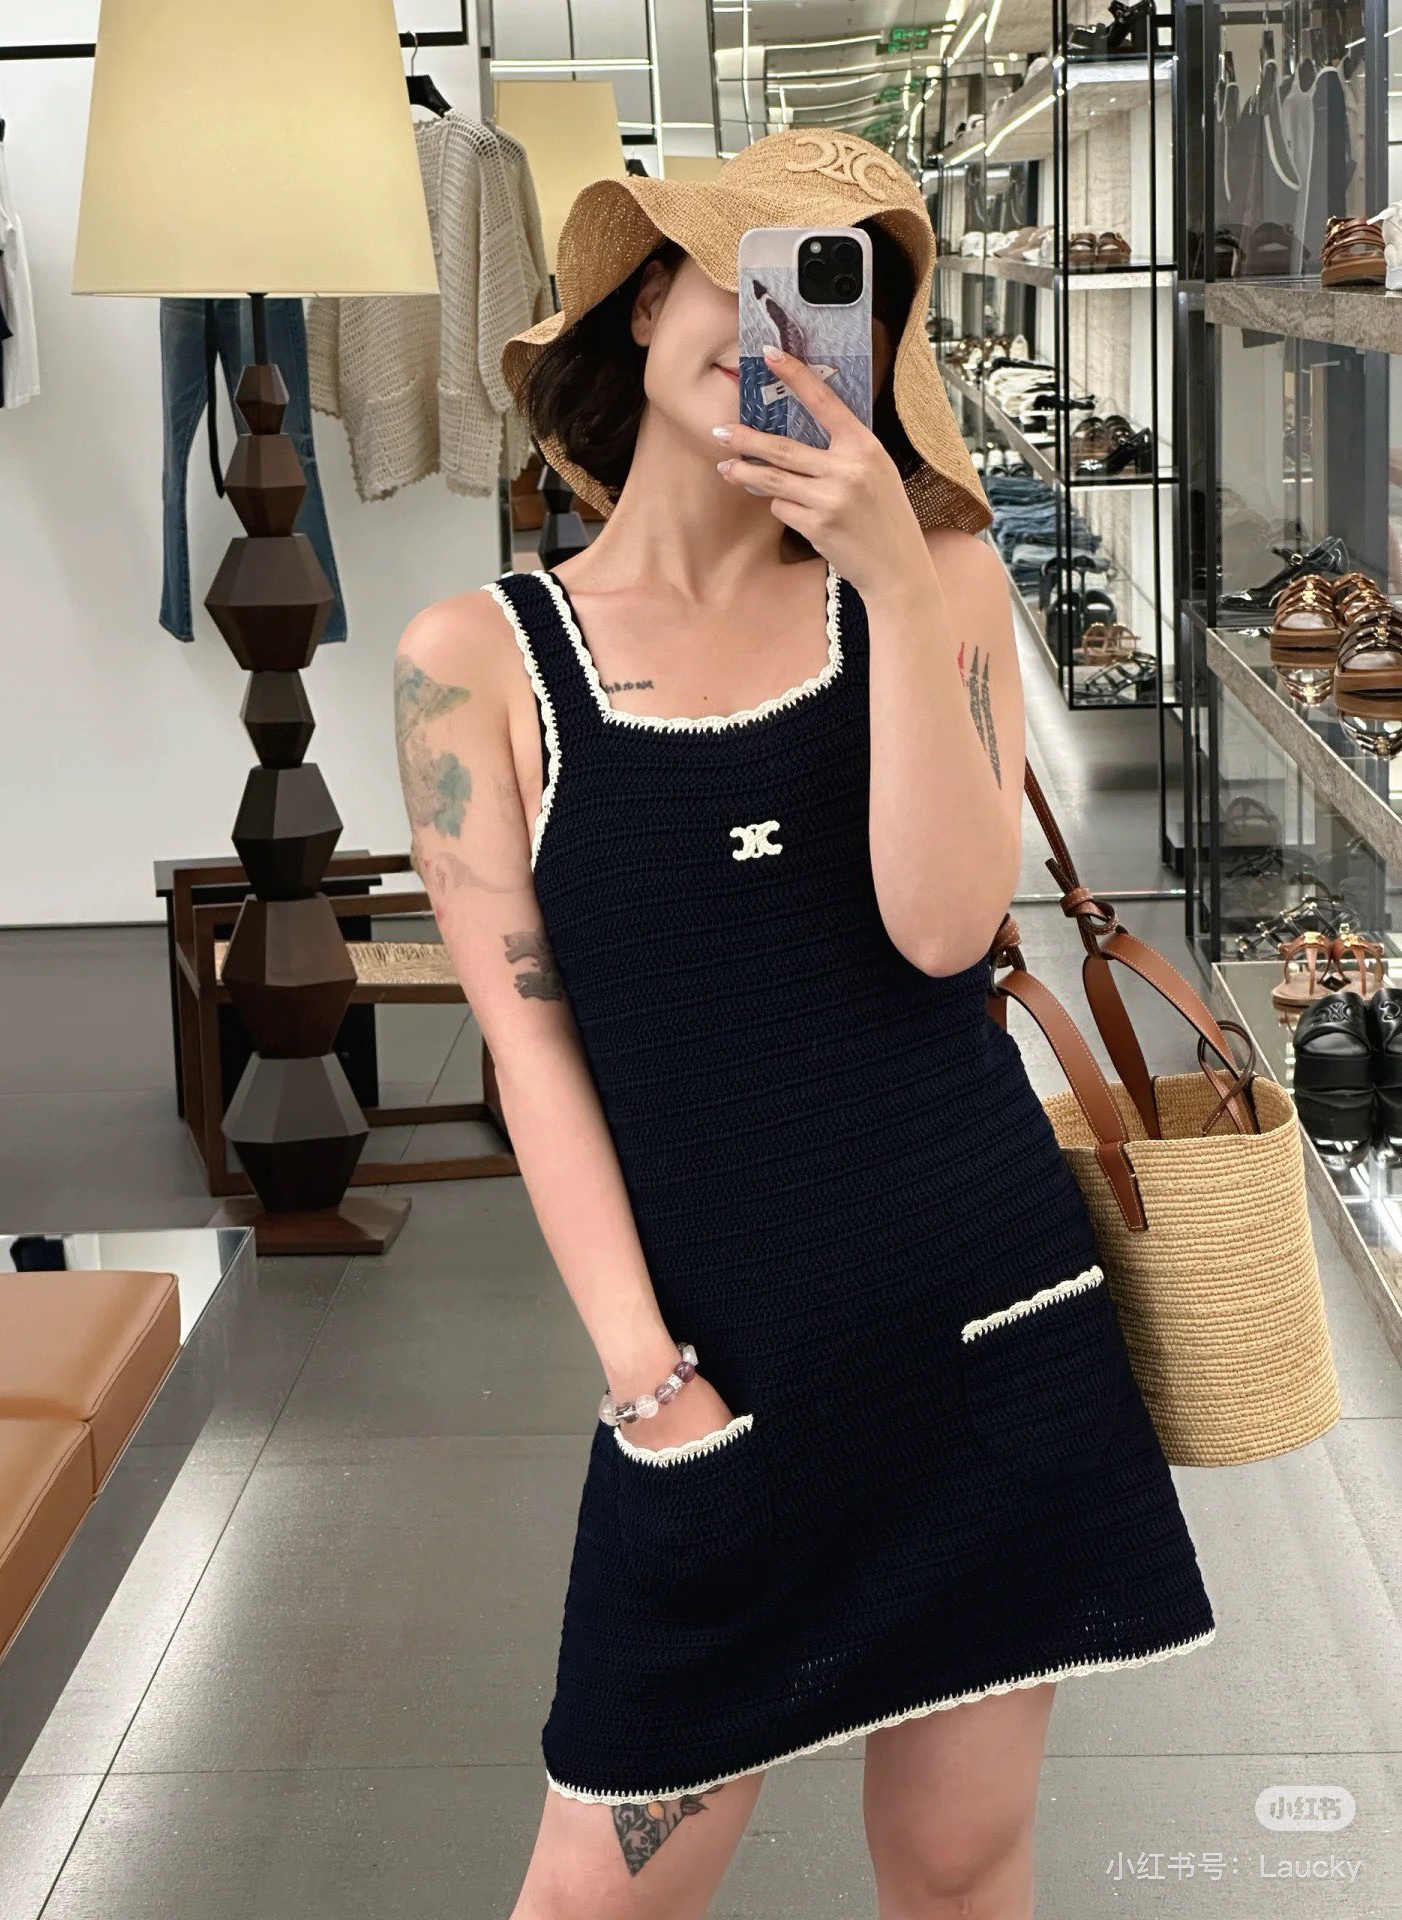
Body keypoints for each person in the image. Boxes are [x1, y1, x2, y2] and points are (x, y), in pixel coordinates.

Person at [393, 128, 1215, 1920]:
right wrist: (645, 1379)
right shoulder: (476, 660)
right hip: (719, 1372)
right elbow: (530, 1046)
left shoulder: (934, 588)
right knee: (595, 1893)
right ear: (644, 300)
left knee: (957, 1863)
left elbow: (943, 933)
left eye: (831, 297)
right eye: (745, 270)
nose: (773, 329)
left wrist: (898, 576)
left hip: (986, 1333)